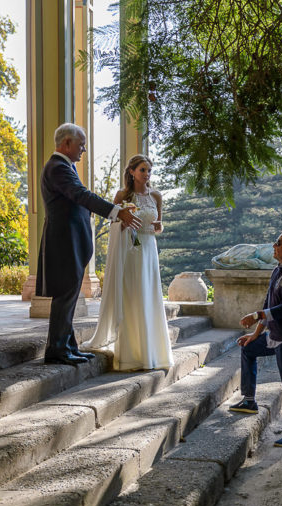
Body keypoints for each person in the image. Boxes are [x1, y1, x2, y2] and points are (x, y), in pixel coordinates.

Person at [36, 123, 138, 365]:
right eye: (81, 144)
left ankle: (67, 345)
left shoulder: (64, 166)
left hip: (71, 240)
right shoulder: (58, 167)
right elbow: (81, 195)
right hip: (64, 241)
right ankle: (57, 350)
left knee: (70, 293)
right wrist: (116, 211)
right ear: (67, 143)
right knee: (65, 294)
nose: (83, 149)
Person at [85, 154, 172, 370]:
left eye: (149, 170)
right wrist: (123, 225)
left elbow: (159, 226)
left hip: (149, 249)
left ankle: (153, 353)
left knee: (149, 296)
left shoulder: (156, 196)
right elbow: (113, 222)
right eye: (143, 170)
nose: (147, 174)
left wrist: (158, 227)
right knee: (132, 296)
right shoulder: (122, 195)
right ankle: (130, 355)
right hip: (130, 251)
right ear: (132, 171)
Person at [228, 230, 282, 448]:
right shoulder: (278, 270)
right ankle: (249, 400)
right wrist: (255, 335)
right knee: (248, 348)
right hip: (274, 335)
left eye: (278, 243)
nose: (274, 246)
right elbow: (269, 305)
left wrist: (256, 315)